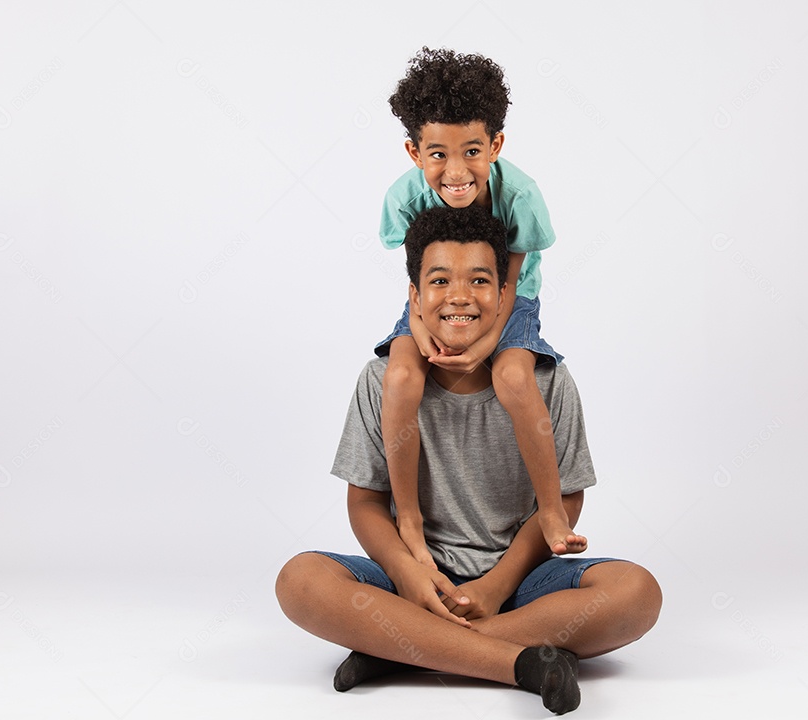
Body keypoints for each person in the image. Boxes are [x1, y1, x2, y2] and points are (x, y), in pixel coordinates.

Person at [277, 207, 661, 715]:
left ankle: (402, 652)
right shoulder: (382, 380)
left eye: (480, 280)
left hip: (519, 582)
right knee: (300, 580)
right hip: (414, 579)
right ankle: (518, 663)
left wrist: (496, 584)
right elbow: (365, 503)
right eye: (439, 280)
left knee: (636, 593)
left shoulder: (547, 381)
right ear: (414, 296)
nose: (459, 296)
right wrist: (410, 575)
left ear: (506, 296)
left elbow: (565, 499)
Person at [375, 47, 584, 569]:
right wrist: (420, 332)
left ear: (495, 144)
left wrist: (490, 343)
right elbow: (414, 275)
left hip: (510, 298)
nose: (456, 170)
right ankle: (408, 516)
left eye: (472, 151)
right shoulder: (403, 198)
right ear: (414, 152)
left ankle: (553, 510)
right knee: (401, 378)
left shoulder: (521, 196)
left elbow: (510, 282)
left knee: (514, 378)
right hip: (434, 299)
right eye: (438, 154)